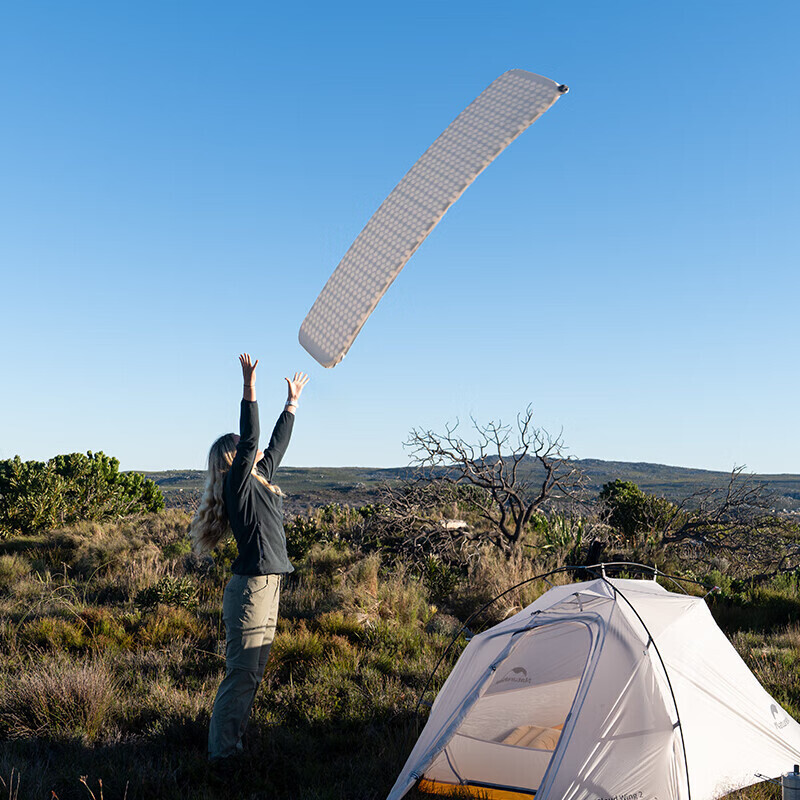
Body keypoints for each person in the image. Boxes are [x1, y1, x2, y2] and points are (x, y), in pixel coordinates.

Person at [190, 353, 309, 765]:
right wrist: (249, 388)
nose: (254, 451)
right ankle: (221, 757)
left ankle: (233, 745)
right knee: (241, 675)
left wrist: (291, 403)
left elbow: (275, 444)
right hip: (251, 589)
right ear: (234, 458)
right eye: (244, 449)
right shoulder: (237, 486)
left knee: (253, 674)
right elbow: (253, 437)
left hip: (269, 584)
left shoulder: (261, 480)